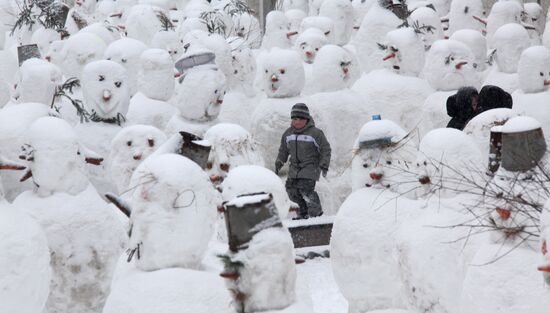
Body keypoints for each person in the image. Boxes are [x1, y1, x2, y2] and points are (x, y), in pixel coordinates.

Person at [275, 103, 331, 220]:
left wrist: (324, 164)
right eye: (295, 119)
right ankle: (302, 213)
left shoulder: (315, 133)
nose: (298, 122)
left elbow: (325, 149)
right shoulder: (288, 133)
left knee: (305, 189)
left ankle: (316, 214)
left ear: (307, 119)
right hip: (294, 168)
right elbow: (283, 150)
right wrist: (279, 161)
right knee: (291, 190)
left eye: (301, 119)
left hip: (310, 167)